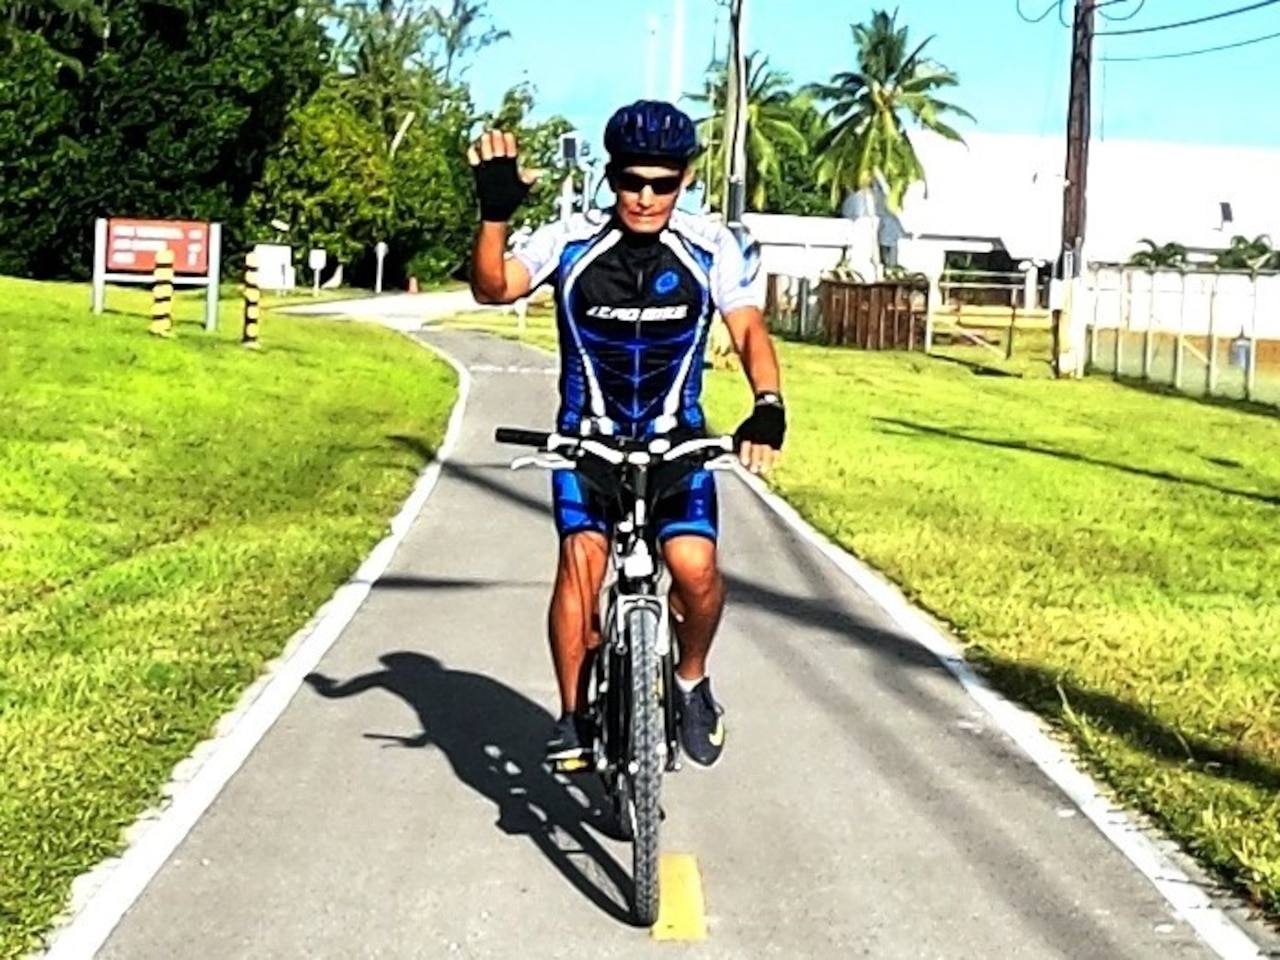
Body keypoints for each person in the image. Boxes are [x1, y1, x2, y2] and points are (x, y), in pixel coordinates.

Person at [466, 99, 786, 770]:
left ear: (686, 179)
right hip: (588, 440)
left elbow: (749, 327)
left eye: (662, 183)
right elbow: (494, 288)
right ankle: (574, 716)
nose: (644, 197)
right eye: (631, 181)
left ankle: (691, 681)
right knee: (581, 562)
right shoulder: (571, 239)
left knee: (696, 572)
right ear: (611, 176)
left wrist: (767, 404)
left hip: (675, 441)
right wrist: (494, 216)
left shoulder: (710, 245)